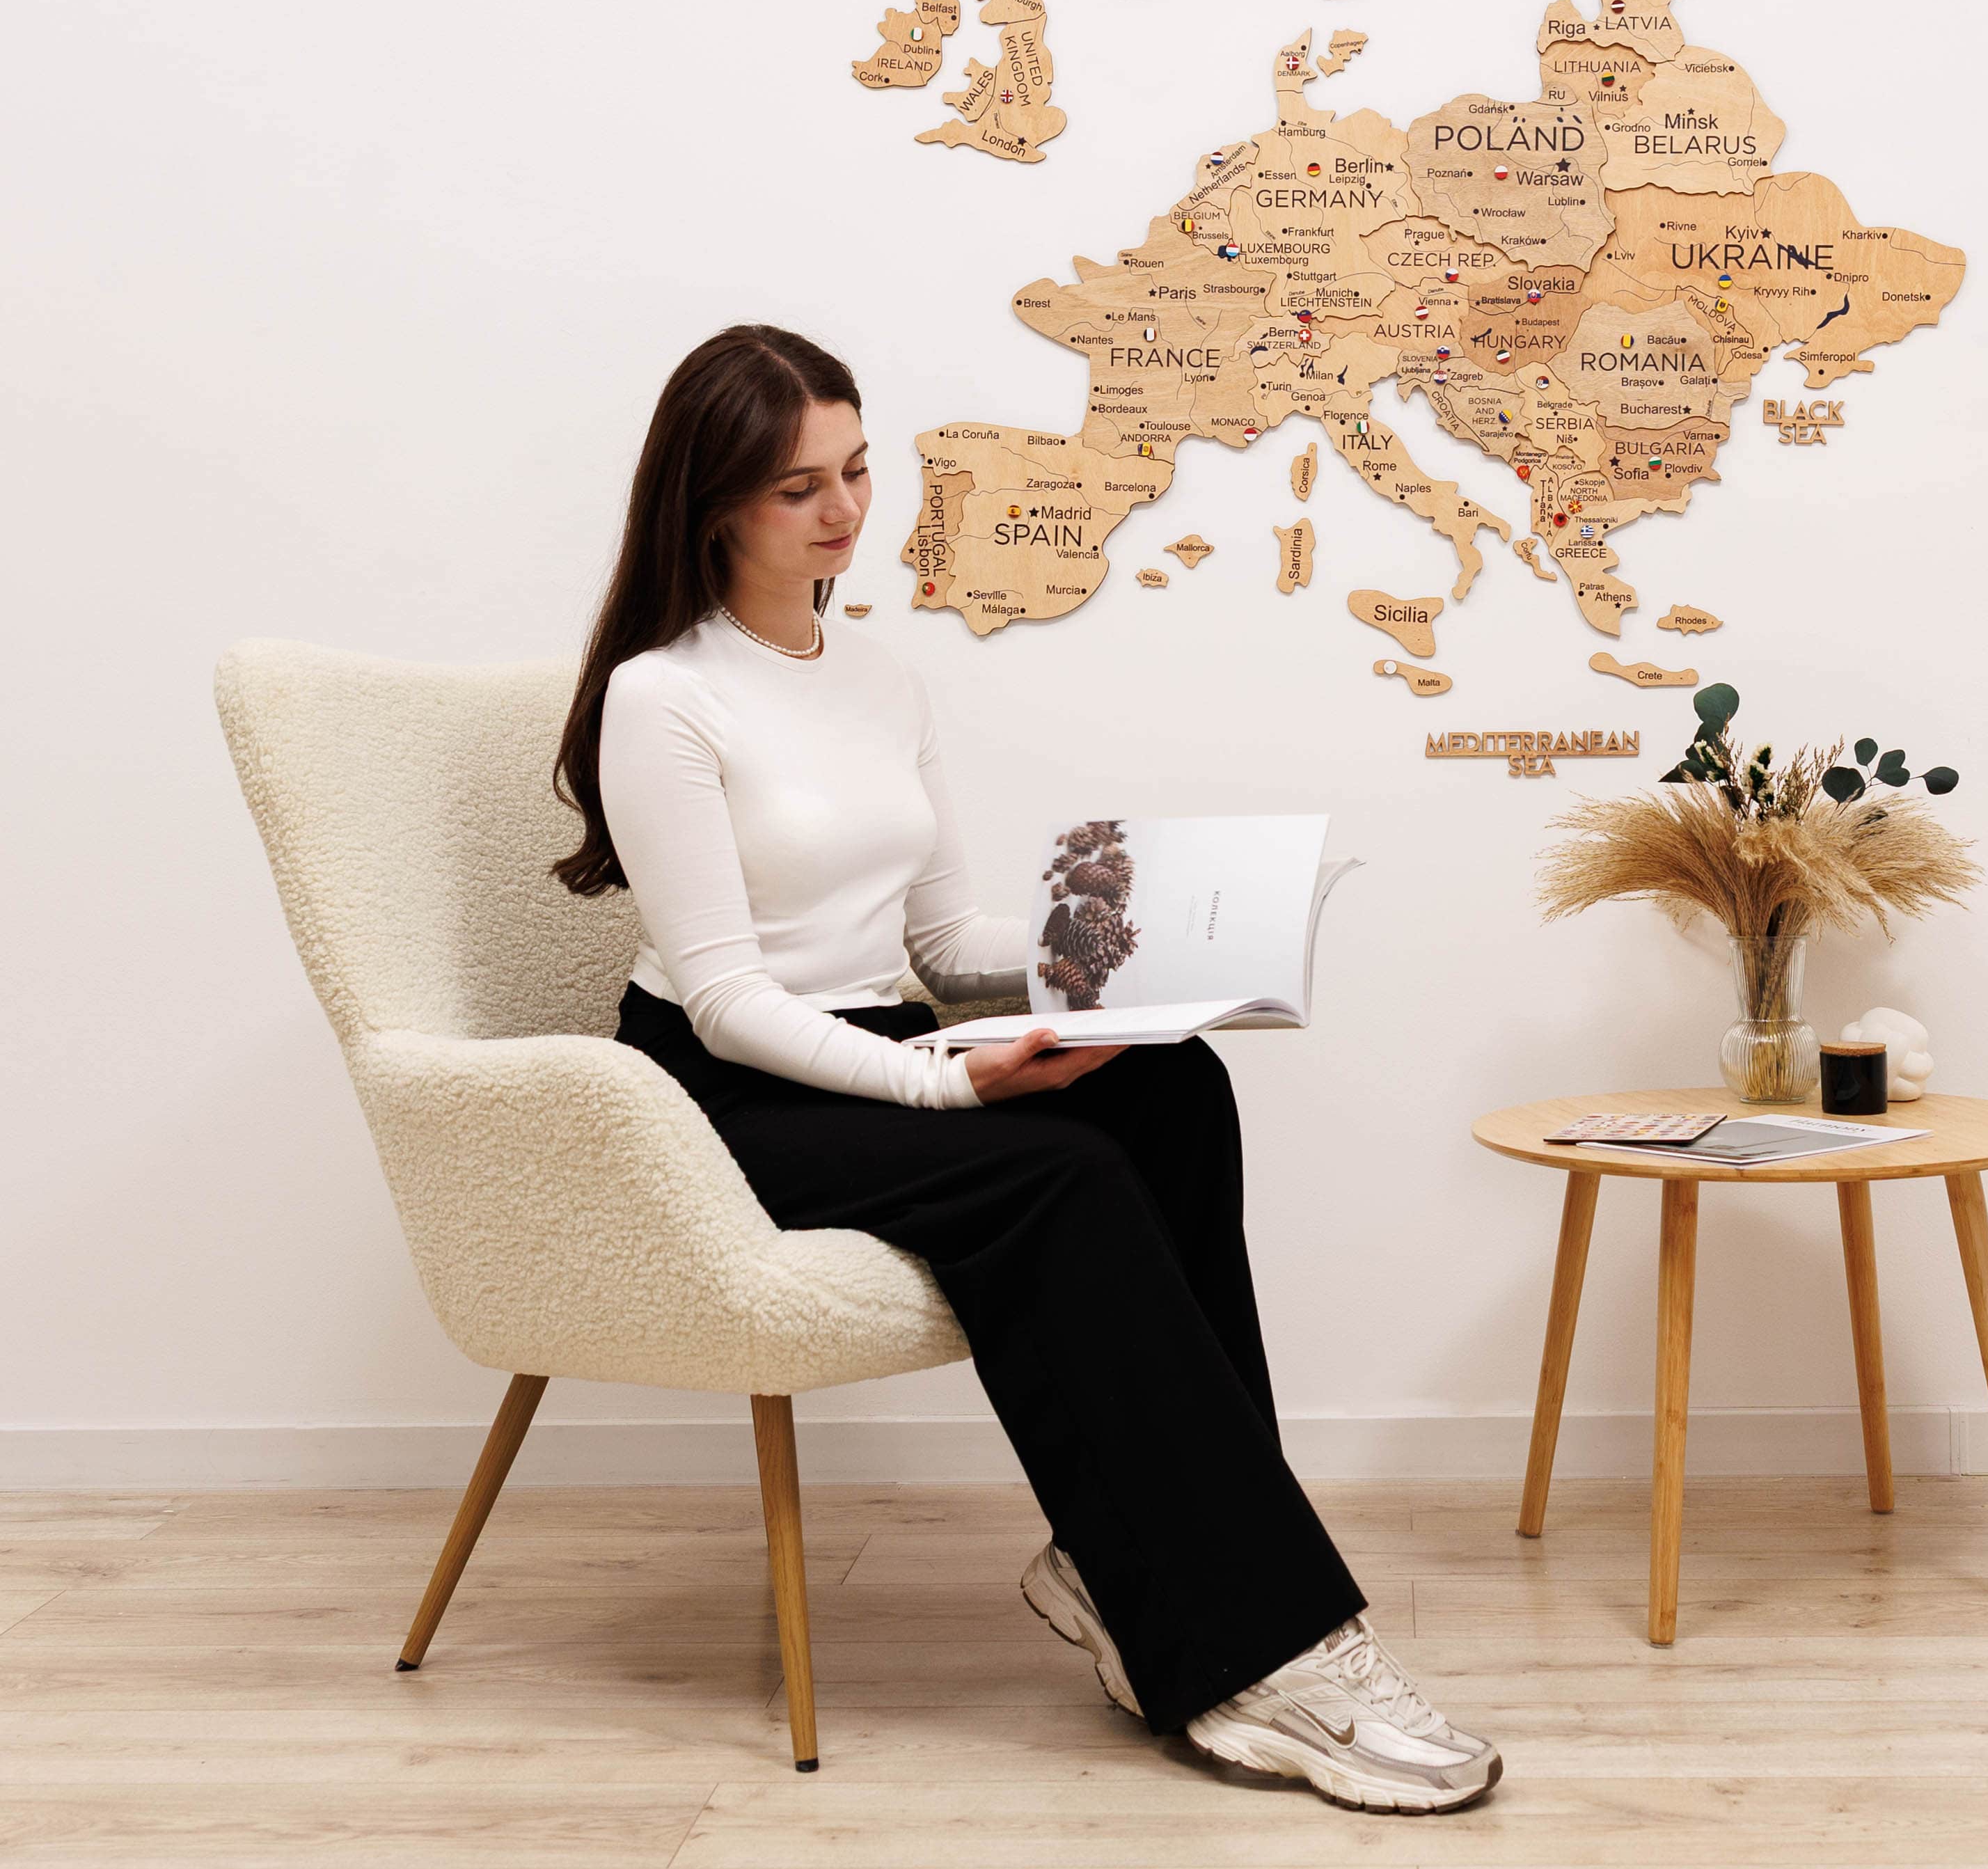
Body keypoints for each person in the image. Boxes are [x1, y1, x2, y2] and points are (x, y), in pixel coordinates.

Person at [551, 324, 1501, 1814]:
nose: (846, 511)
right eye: (798, 486)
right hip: (712, 1093)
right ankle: (1260, 1643)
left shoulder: (875, 675)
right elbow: (730, 999)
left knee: (1173, 1087)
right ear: (713, 502)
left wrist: (1138, 949)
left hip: (865, 1033)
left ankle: (1128, 1562)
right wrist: (946, 1088)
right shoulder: (663, 696)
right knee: (1052, 1176)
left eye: (858, 469)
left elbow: (937, 936)